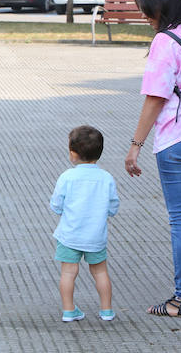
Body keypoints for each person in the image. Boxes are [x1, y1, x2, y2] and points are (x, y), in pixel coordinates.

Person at [125, 0, 181, 317]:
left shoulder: (165, 41)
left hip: (176, 139)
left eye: (147, 13)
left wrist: (135, 145)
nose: (147, 20)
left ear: (160, 8)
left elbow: (155, 98)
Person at [50, 126, 120, 322]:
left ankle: (68, 310)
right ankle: (106, 310)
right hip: (95, 235)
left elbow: (56, 204)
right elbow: (113, 205)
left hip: (69, 235)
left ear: (73, 154)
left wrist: (62, 210)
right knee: (100, 272)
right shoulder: (106, 178)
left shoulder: (67, 177)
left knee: (68, 272)